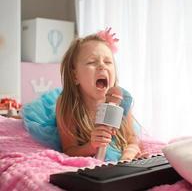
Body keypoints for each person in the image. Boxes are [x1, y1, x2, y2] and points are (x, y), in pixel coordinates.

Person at [23, 28, 141, 161]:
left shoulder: (120, 99)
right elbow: (69, 150)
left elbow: (132, 140)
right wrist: (92, 146)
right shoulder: (68, 104)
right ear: (75, 76)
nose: (102, 66)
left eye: (108, 62)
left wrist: (127, 157)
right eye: (92, 62)